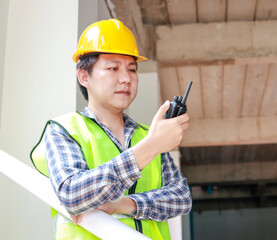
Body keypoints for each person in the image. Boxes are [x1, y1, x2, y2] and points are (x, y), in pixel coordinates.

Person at [31, 19, 192, 240]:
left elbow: (181, 198)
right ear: (84, 76)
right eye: (113, 68)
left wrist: (124, 204)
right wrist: (150, 147)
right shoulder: (63, 130)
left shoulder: (146, 135)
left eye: (132, 69)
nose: (127, 78)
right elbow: (72, 194)